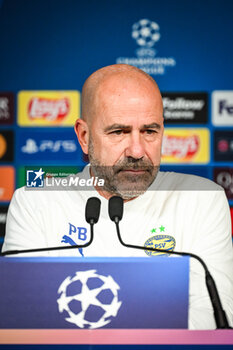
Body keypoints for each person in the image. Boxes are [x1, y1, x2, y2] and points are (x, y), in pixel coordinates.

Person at [2, 64, 233, 329]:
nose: (137, 150)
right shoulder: (35, 203)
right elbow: (23, 318)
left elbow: (215, 317)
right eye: (119, 132)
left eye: (149, 131)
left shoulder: (202, 199)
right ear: (84, 136)